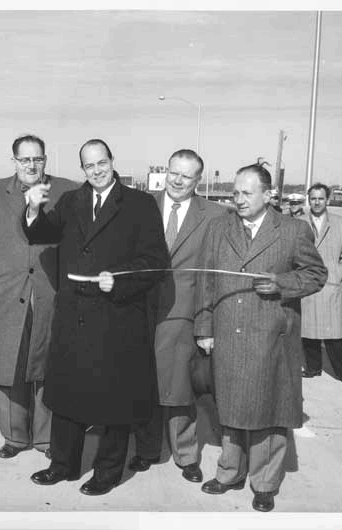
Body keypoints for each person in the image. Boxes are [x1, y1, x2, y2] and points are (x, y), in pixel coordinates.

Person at [24, 139, 168, 496]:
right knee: (67, 397)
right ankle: (63, 465)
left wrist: (118, 279)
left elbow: (155, 261)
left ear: (112, 162)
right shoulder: (72, 201)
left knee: (114, 402)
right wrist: (32, 210)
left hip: (116, 317)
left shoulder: (140, 204)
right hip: (75, 317)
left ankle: (107, 472)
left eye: (102, 163)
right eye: (89, 166)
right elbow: (44, 234)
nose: (97, 171)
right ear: (82, 170)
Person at [194, 163, 326, 512]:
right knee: (230, 408)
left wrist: (282, 284)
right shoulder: (219, 227)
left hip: (271, 337)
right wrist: (204, 327)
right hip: (228, 334)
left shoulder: (293, 231)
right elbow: (207, 280)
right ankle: (229, 473)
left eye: (247, 193)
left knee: (269, 411)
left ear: (268, 195)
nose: (238, 199)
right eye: (235, 192)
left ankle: (264, 483)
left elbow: (316, 274)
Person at [0, 135, 78, 459]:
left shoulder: (66, 191)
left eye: (38, 159)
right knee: (8, 364)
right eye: (24, 160)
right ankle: (14, 437)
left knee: (48, 366)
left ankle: (46, 438)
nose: (31, 165)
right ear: (14, 161)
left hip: (50, 293)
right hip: (8, 292)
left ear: (46, 160)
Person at [130, 149, 225, 481]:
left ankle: (186, 455)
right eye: (174, 172)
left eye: (186, 176)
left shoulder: (214, 215)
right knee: (142, 384)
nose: (178, 180)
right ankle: (145, 450)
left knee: (180, 388)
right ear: (165, 171)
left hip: (183, 313)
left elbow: (215, 271)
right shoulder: (141, 205)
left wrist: (206, 321)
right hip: (140, 311)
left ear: (198, 180)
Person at [300, 183, 342, 387]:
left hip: (331, 285)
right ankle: (313, 368)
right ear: (309, 200)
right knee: (308, 333)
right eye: (313, 198)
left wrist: (339, 274)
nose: (316, 202)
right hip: (308, 285)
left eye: (321, 198)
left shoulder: (341, 223)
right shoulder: (299, 222)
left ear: (328, 200)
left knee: (335, 336)